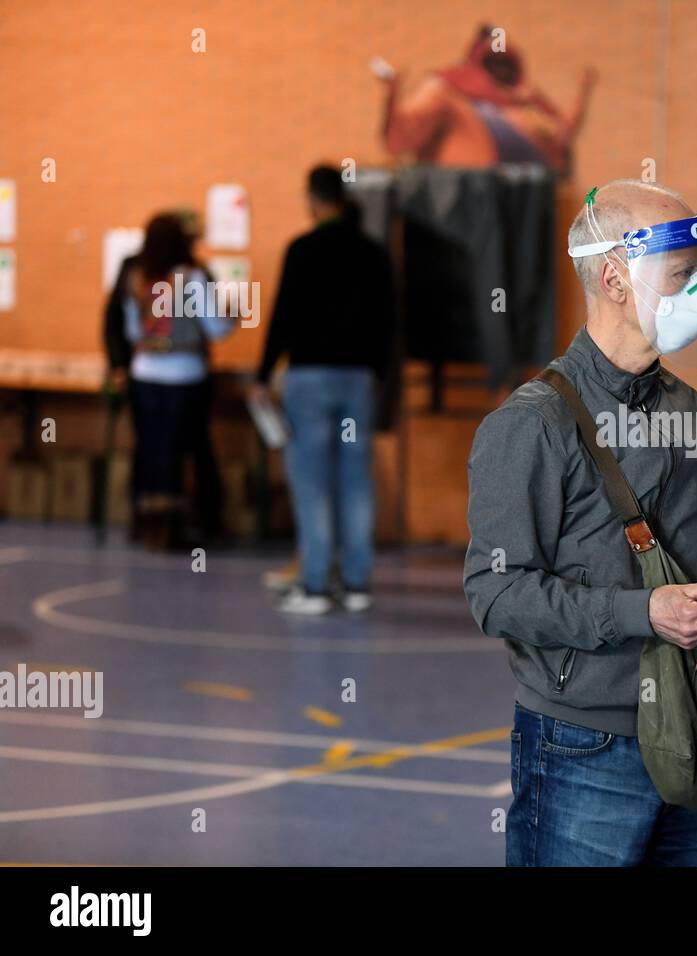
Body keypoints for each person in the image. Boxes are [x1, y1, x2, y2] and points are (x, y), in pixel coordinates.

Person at [463, 180, 697, 866]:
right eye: (684, 275)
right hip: (584, 746)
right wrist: (643, 612)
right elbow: (496, 593)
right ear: (616, 278)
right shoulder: (530, 425)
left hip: (696, 728)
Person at [252, 166, 395, 615]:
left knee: (311, 483)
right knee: (356, 481)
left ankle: (314, 586)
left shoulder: (302, 249)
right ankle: (356, 584)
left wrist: (262, 372)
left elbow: (283, 315)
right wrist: (376, 373)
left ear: (313, 200)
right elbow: (388, 320)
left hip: (309, 378)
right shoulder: (374, 252)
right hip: (357, 380)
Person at [119, 212, 231, 549]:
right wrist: (233, 315)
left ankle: (146, 522)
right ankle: (174, 527)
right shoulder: (193, 278)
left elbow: (131, 331)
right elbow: (216, 327)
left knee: (149, 447)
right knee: (180, 450)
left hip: (145, 372)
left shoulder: (138, 277)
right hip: (185, 373)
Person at [380, 24, 596, 174]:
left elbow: (561, 138)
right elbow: (399, 140)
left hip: (525, 211)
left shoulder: (524, 104)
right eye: (494, 62)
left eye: (506, 62)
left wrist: (580, 92)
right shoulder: (445, 91)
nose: (501, 71)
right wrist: (392, 97)